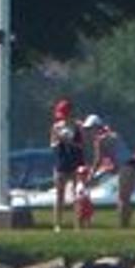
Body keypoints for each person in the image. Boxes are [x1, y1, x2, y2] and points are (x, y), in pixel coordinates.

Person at [83, 113, 135, 228]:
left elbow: (97, 160)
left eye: (90, 129)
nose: (88, 132)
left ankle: (123, 226)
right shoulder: (111, 135)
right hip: (132, 164)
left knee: (122, 198)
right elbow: (117, 155)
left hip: (126, 166)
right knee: (126, 198)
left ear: (96, 127)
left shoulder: (99, 140)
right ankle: (126, 224)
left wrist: (91, 176)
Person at [49, 99, 85, 232]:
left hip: (75, 162)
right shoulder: (56, 127)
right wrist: (59, 140)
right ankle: (57, 224)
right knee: (59, 195)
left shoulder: (78, 126)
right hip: (61, 162)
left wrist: (69, 141)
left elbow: (81, 145)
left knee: (77, 194)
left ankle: (77, 224)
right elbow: (52, 145)